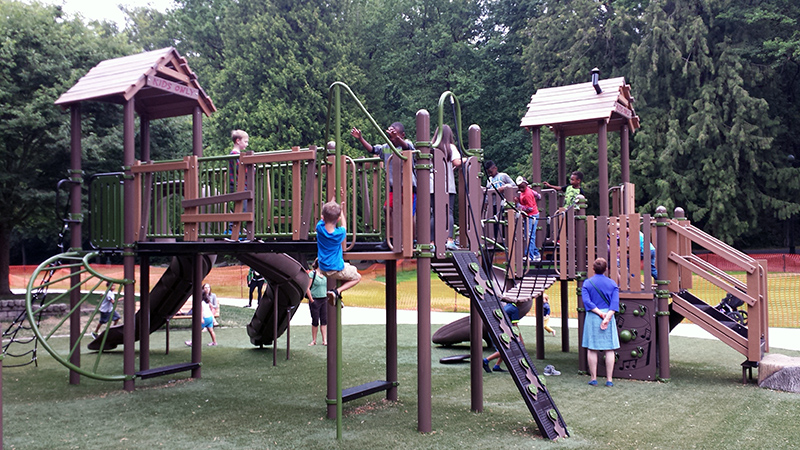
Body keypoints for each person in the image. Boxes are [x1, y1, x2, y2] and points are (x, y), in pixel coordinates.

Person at [350, 123, 417, 213]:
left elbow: (407, 148)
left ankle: (411, 222)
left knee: (408, 213)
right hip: (394, 188)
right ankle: (391, 223)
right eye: (390, 137)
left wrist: (397, 138)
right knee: (387, 209)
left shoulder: (407, 144)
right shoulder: (386, 147)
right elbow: (372, 149)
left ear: (402, 135)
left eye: (395, 136)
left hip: (409, 188)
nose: (392, 140)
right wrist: (360, 138)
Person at [581, 257, 620, 387]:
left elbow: (587, 302)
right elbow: (614, 303)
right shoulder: (612, 284)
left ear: (593, 268)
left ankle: (594, 378)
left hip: (593, 316)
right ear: (606, 269)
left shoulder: (587, 283)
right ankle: (609, 380)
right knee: (609, 349)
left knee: (592, 348)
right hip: (608, 315)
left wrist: (599, 313)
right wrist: (607, 317)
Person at [316, 200, 362, 304]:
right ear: (338, 219)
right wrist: (341, 211)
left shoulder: (319, 228)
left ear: (322, 217)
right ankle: (337, 291)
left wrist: (333, 199)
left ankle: (337, 296)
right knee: (357, 277)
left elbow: (326, 216)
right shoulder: (339, 234)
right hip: (334, 269)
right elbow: (344, 227)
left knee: (347, 268)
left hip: (323, 267)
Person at [430, 124, 462, 250]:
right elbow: (457, 162)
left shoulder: (431, 148)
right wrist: (468, 159)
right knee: (448, 212)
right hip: (447, 185)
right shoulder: (450, 147)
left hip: (432, 185)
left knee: (434, 213)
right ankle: (449, 240)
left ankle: (432, 242)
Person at [482, 300, 528, 373]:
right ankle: (485, 360)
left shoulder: (508, 306)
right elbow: (515, 326)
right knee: (505, 350)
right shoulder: (514, 309)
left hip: (494, 329)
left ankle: (497, 366)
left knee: (507, 347)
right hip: (497, 331)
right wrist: (520, 339)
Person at [228, 129, 250, 234]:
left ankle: (236, 230)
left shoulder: (237, 154)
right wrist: (251, 169)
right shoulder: (234, 154)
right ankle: (232, 230)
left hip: (239, 184)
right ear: (238, 141)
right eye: (245, 141)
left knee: (242, 208)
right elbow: (240, 169)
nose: (247, 144)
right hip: (238, 185)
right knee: (241, 208)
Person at [515, 176, 541, 262]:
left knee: (529, 235)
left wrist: (518, 204)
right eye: (519, 187)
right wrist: (538, 195)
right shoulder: (527, 190)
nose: (521, 189)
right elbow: (534, 192)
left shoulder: (527, 194)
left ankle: (530, 255)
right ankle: (536, 253)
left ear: (526, 184)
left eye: (522, 187)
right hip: (528, 216)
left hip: (531, 216)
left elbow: (529, 208)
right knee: (529, 235)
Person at [305, 259, 328, 346]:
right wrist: (311, 300)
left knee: (324, 320)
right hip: (315, 299)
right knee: (315, 320)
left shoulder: (326, 274)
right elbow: (307, 288)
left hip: (324, 299)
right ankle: (314, 340)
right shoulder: (312, 274)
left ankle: (324, 340)